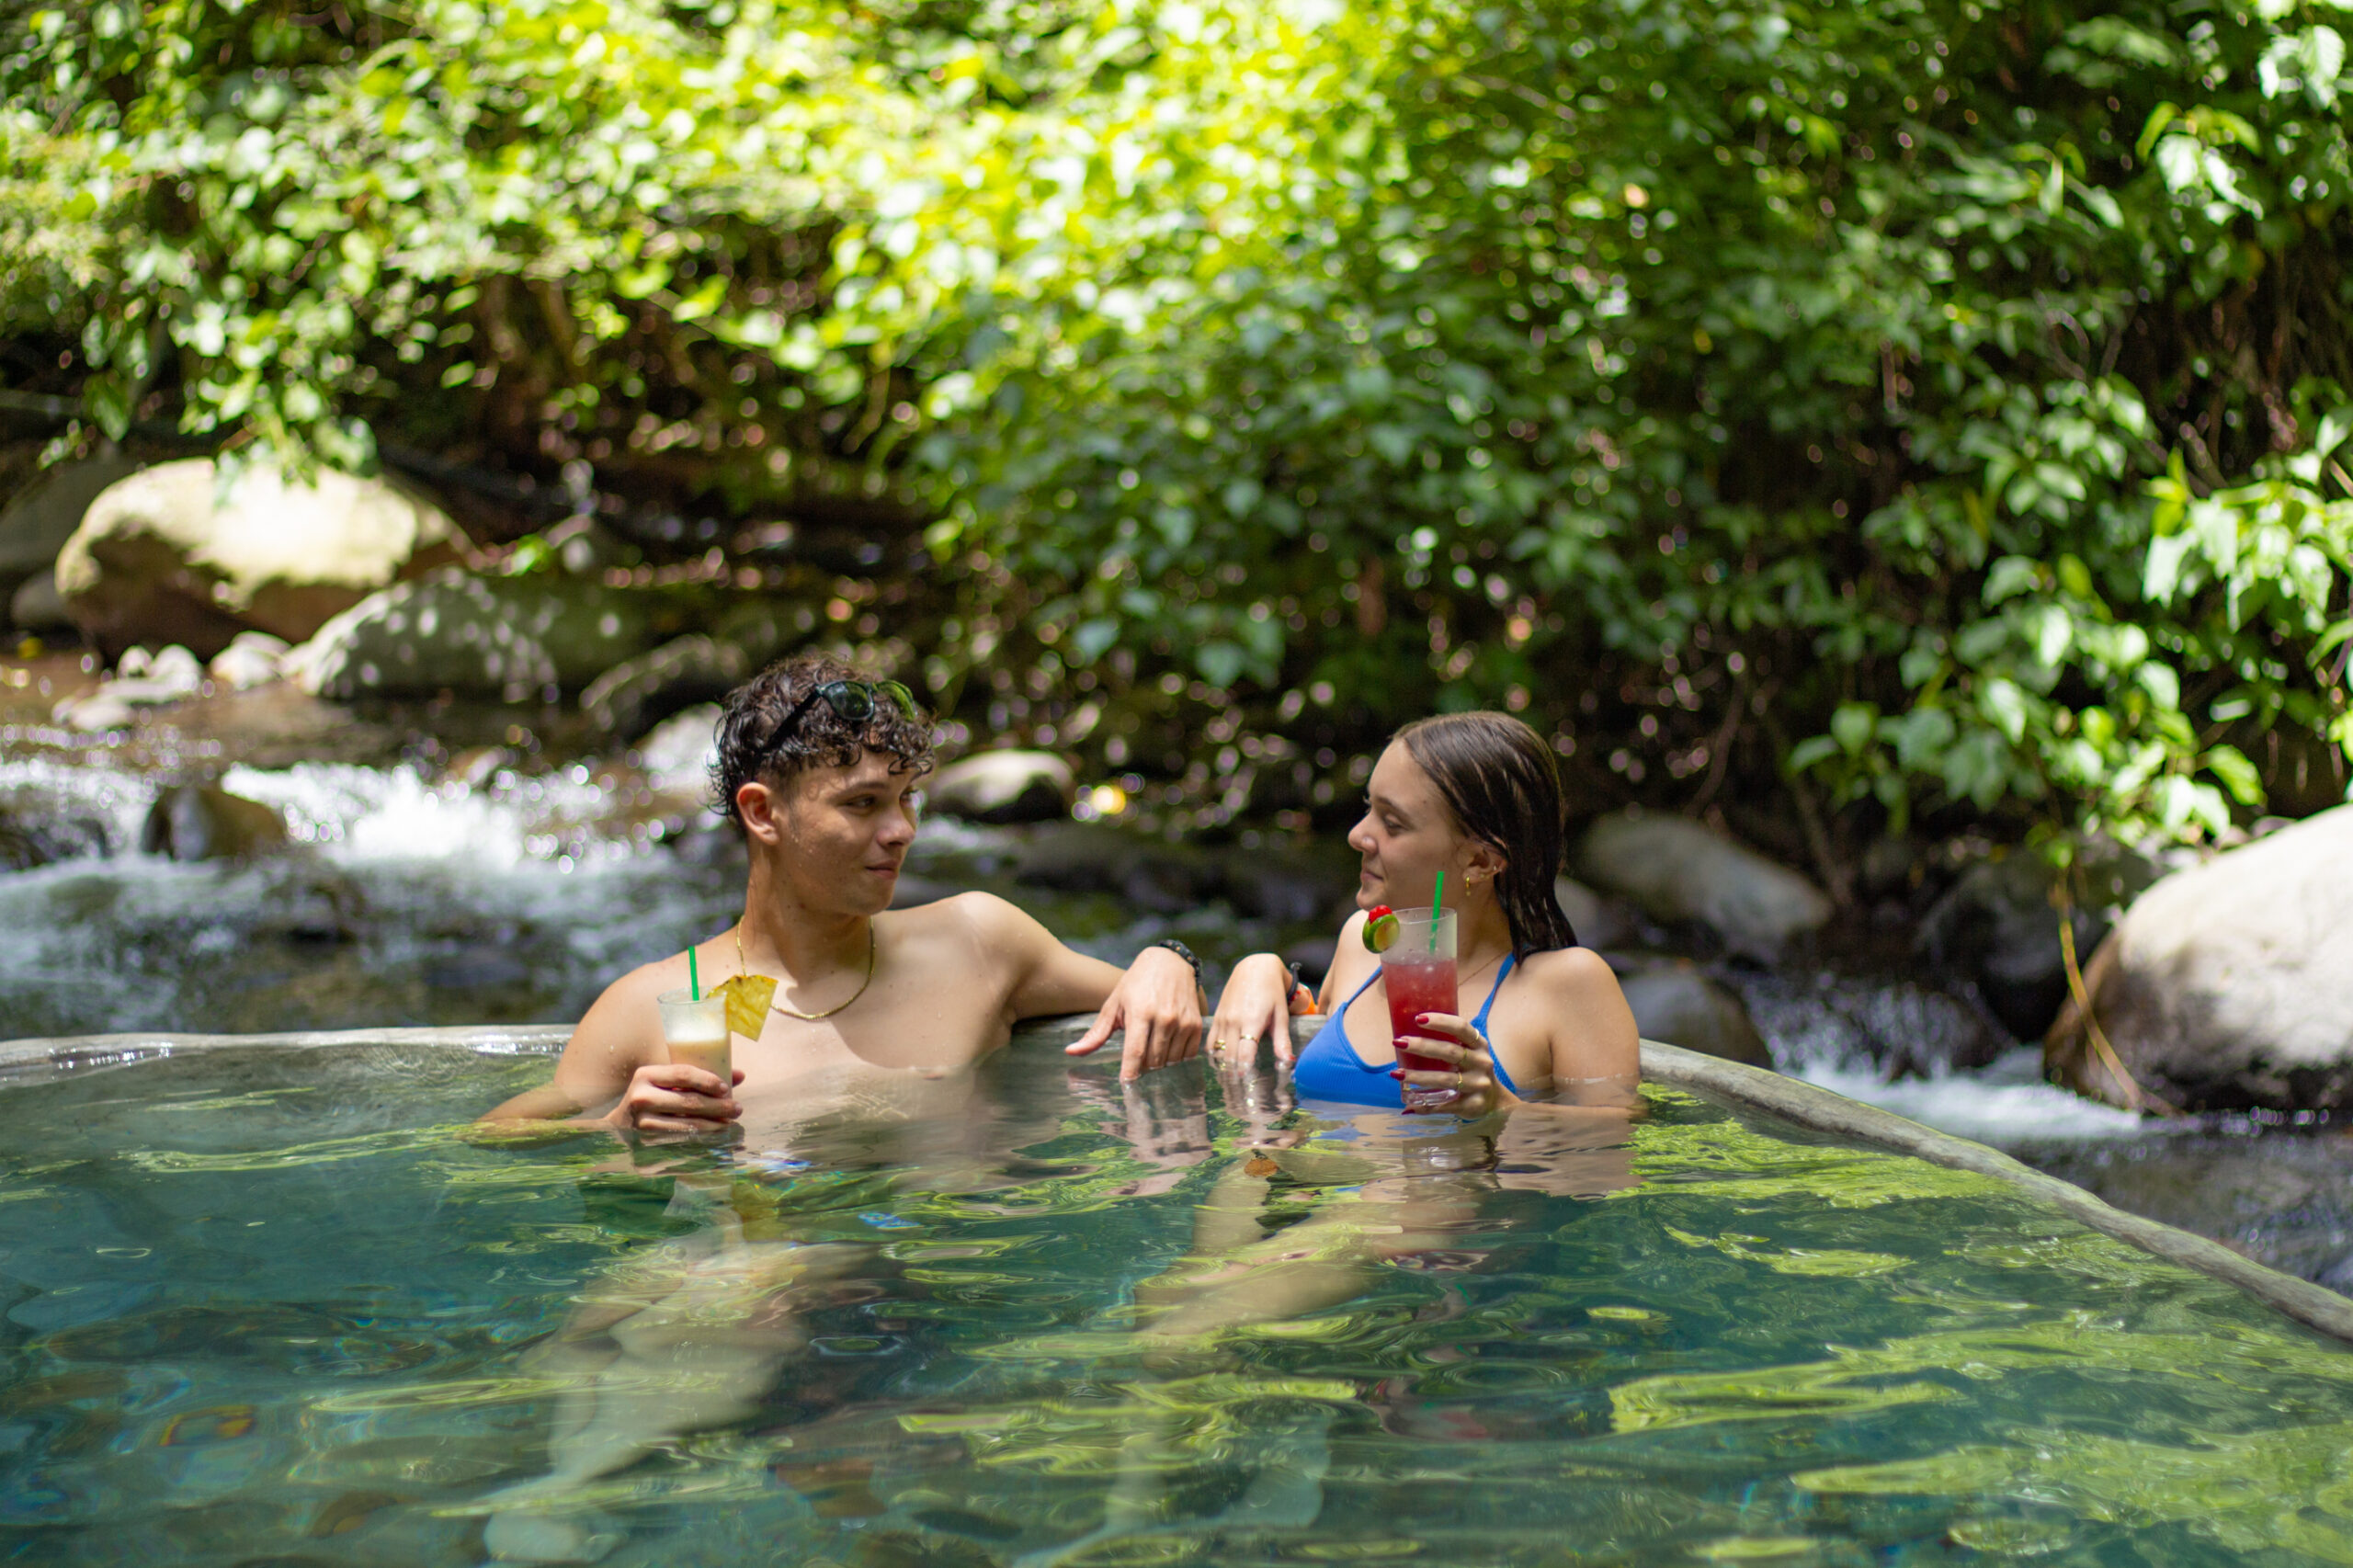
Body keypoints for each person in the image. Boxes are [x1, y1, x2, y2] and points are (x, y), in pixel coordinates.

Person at [481, 652, 1205, 1142]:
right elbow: (484, 1144)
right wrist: (610, 1133)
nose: (901, 832)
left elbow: (1180, 1010)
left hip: (961, 1300)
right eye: (862, 805)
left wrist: (1167, 957)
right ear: (763, 813)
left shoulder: (975, 942)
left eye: (907, 799)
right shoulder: (663, 1004)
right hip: (769, 1308)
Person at [1208, 709, 1638, 1115]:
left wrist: (1507, 1110)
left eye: (1392, 823)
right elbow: (1301, 1030)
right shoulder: (1364, 941)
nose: (1358, 835)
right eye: (1368, 809)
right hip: (1318, 1191)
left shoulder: (1568, 983)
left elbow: (1616, 1146)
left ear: (1480, 862)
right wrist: (1263, 969)